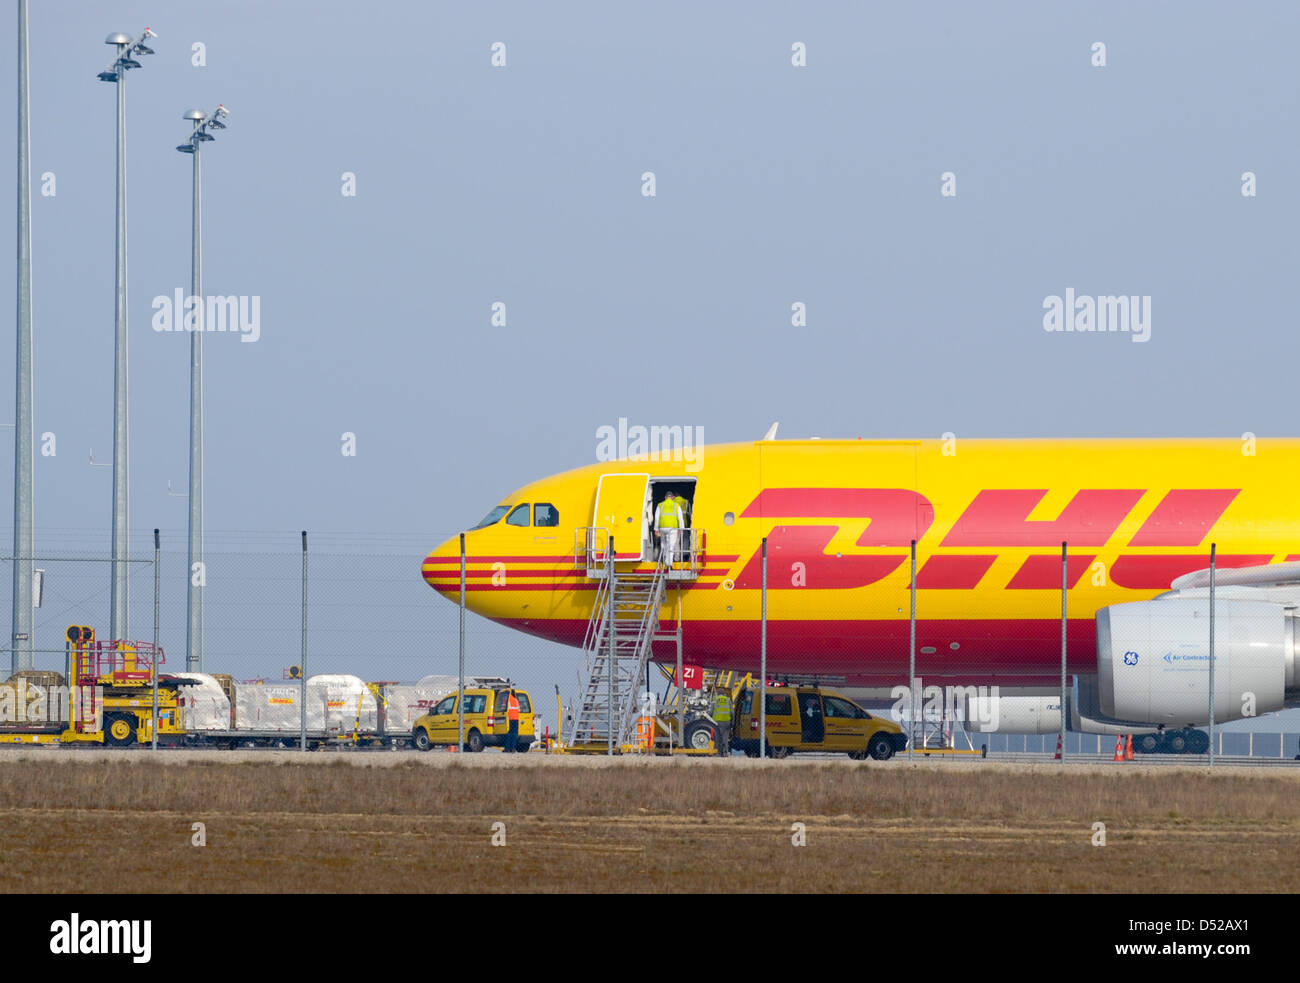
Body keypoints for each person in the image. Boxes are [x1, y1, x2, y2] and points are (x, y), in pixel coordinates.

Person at [654, 493, 683, 567]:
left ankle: (664, 559)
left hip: (662, 528)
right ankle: (669, 563)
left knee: (664, 544)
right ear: (672, 498)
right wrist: (681, 528)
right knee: (671, 545)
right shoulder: (676, 505)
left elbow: (657, 518)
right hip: (673, 528)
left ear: (665, 497)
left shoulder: (660, 505)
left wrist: (656, 529)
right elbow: (680, 518)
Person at [713, 685, 732, 756]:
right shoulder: (728, 700)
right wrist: (732, 722)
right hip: (727, 721)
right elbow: (732, 712)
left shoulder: (715, 699)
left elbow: (711, 712)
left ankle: (717, 752)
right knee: (725, 738)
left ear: (717, 693)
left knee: (717, 737)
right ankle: (725, 752)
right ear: (724, 693)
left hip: (717, 722)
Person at [504, 687, 521, 753]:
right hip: (516, 718)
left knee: (509, 734)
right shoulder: (516, 700)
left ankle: (507, 748)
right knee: (514, 734)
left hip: (510, 718)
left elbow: (504, 706)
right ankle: (513, 748)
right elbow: (519, 710)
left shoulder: (508, 699)